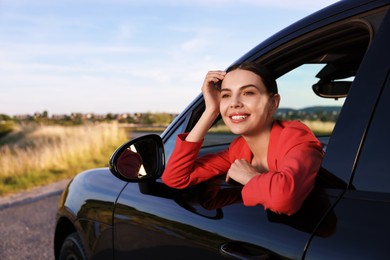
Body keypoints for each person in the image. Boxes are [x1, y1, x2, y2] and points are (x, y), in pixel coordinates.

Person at [162, 62, 323, 215]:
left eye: (248, 93)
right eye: (226, 95)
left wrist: (249, 177)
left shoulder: (294, 135)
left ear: (273, 103)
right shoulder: (239, 149)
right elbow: (175, 178)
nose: (234, 103)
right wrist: (210, 111)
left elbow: (285, 200)